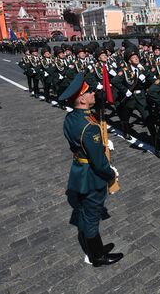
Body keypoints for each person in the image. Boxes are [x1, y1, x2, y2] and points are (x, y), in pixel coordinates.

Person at [59, 72, 123, 267]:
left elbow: (76, 144)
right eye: (89, 92)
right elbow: (98, 163)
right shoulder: (89, 126)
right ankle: (96, 256)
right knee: (92, 215)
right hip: (91, 176)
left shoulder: (71, 118)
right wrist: (111, 173)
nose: (93, 93)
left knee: (86, 213)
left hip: (79, 170)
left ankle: (96, 248)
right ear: (81, 99)